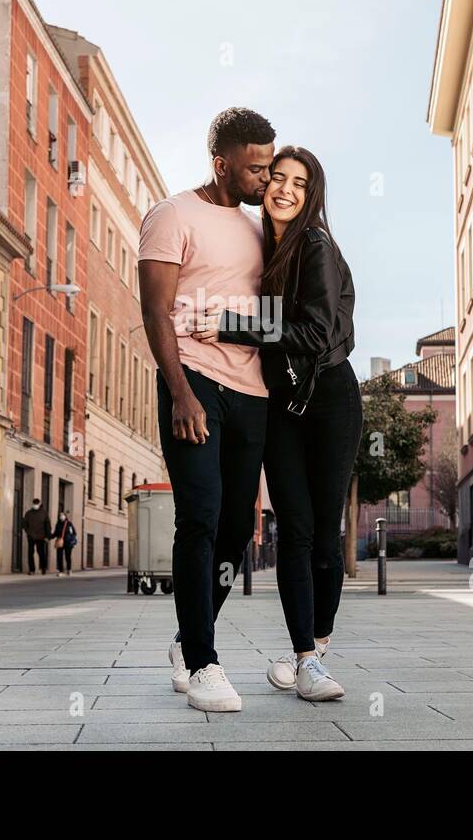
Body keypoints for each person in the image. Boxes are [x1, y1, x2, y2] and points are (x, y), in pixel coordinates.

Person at [193, 146, 359, 702]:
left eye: (299, 182)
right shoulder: (270, 250)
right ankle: (308, 661)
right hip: (283, 405)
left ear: (313, 194)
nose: (285, 188)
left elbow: (317, 332)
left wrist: (231, 326)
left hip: (330, 400)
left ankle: (314, 647)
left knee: (324, 538)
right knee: (296, 527)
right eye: (277, 178)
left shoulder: (315, 245)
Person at [137, 107, 276, 713]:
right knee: (199, 516)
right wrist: (180, 392)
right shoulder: (172, 216)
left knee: (234, 530)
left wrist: (231, 324)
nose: (266, 179)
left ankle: (186, 637)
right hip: (193, 382)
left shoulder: (259, 227)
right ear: (221, 164)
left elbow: (270, 321)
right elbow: (156, 311)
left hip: (253, 393)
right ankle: (202, 661)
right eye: (255, 169)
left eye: (270, 167)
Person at [22, 498, 50, 575]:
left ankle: (43, 568)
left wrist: (47, 536)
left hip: (41, 536)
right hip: (31, 536)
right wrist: (28, 532)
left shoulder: (44, 513)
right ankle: (32, 570)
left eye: (37, 503)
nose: (35, 505)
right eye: (34, 503)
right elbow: (24, 524)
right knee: (30, 553)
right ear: (32, 504)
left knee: (41, 553)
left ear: (39, 504)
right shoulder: (28, 513)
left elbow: (47, 525)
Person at [53, 511, 77, 576]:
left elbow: (74, 533)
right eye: (60, 515)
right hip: (60, 542)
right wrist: (49, 537)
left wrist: (72, 539)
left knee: (68, 556)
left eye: (62, 515)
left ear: (65, 516)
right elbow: (55, 533)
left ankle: (69, 569)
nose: (61, 516)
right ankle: (60, 571)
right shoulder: (58, 524)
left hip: (68, 542)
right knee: (59, 557)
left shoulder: (69, 524)